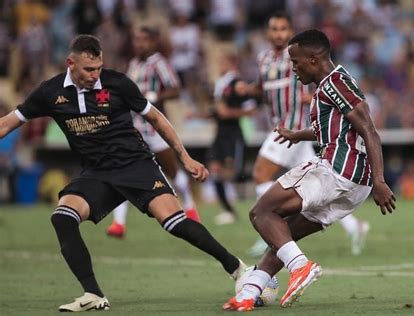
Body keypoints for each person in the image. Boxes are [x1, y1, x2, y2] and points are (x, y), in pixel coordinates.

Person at [0, 34, 246, 312]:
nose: (95, 75)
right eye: (88, 69)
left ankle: (237, 268)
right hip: (96, 173)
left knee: (175, 223)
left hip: (135, 165)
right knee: (62, 218)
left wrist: (184, 156)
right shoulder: (50, 92)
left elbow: (156, 117)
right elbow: (7, 124)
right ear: (70, 63)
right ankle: (93, 294)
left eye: (98, 68)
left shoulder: (118, 84)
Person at [223, 29, 396, 311]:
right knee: (283, 235)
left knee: (261, 212)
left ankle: (301, 267)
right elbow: (334, 131)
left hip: (337, 170)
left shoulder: (334, 83)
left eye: (296, 61)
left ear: (314, 59)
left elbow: (369, 131)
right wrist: (297, 135)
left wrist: (381, 180)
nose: (293, 68)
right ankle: (249, 292)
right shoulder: (330, 86)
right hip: (354, 186)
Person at [236, 12, 370, 257]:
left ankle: (268, 228)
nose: (278, 33)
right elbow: (263, 87)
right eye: (274, 29)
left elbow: (316, 78)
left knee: (261, 173)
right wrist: (248, 89)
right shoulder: (264, 59)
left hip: (296, 124)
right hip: (288, 129)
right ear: (268, 33)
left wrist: (316, 99)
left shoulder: (297, 58)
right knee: (326, 188)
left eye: (283, 29)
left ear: (289, 32)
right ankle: (354, 226)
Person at [106, 26, 201, 239]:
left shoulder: (159, 63)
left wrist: (155, 97)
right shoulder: (133, 64)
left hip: (154, 128)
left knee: (172, 171)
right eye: (137, 40)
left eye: (143, 40)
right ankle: (118, 224)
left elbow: (175, 89)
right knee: (122, 170)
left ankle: (190, 207)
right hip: (132, 129)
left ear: (153, 43)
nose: (139, 44)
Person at [206, 53, 256, 225]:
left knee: (231, 172)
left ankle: (251, 201)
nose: (220, 65)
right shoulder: (220, 84)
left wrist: (231, 113)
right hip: (219, 134)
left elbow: (251, 109)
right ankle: (228, 210)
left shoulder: (237, 84)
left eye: (223, 61)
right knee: (214, 170)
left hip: (233, 134)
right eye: (219, 62)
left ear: (232, 63)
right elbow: (219, 111)